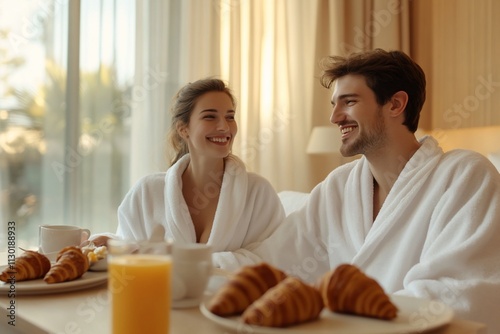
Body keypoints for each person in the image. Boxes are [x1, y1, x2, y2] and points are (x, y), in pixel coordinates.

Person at [213, 49, 500, 332]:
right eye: (334, 104)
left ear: (396, 104)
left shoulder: (465, 175)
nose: (335, 117)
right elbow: (274, 259)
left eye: (348, 102)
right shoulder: (339, 186)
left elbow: (457, 293)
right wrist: (194, 264)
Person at [88, 78, 285, 251]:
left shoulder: (258, 193)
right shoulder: (147, 191)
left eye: (230, 117)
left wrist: (198, 266)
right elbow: (128, 246)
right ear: (184, 129)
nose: (224, 127)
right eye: (210, 116)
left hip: (235, 294)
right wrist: (110, 244)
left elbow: (275, 257)